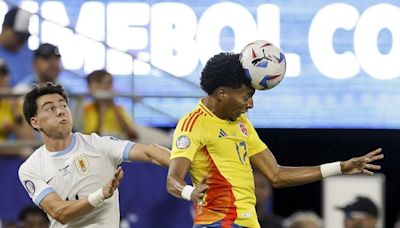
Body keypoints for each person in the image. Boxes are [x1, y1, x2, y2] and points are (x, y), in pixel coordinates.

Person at [166, 52, 384, 228]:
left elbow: (276, 174)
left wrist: (340, 167)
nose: (250, 104)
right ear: (222, 93)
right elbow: (172, 180)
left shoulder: (242, 123)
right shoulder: (193, 124)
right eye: (246, 96)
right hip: (217, 223)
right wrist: (189, 192)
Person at [18, 82, 170, 227]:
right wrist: (101, 194)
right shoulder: (31, 168)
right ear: (35, 122)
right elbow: (60, 212)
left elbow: (150, 152)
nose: (60, 111)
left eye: (63, 105)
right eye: (50, 108)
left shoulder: (98, 144)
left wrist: (187, 163)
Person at [83, 69, 173, 147]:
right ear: (94, 86)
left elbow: (133, 135)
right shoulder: (87, 109)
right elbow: (91, 139)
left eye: (110, 84)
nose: (110, 87)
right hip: (112, 143)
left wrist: (114, 109)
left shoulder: (117, 108)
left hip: (131, 138)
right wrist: (101, 112)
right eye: (106, 84)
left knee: (165, 141)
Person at [0, 6, 33, 86]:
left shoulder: (30, 55)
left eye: (23, 38)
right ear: (5, 28)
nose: (20, 42)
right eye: (18, 36)